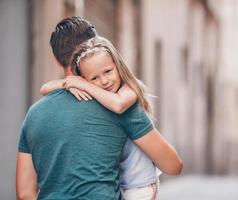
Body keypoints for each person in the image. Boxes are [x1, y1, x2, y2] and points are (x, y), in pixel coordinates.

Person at [16, 17, 182, 200]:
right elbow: (173, 166)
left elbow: (25, 194)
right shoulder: (117, 104)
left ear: (56, 59)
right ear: (95, 48)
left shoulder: (34, 114)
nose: (103, 81)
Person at [39, 38, 159, 199]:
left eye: (108, 72)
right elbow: (44, 88)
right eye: (94, 78)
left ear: (118, 66)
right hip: (121, 184)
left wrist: (85, 85)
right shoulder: (101, 96)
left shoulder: (129, 88)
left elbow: (119, 105)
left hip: (141, 185)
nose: (104, 81)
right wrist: (69, 83)